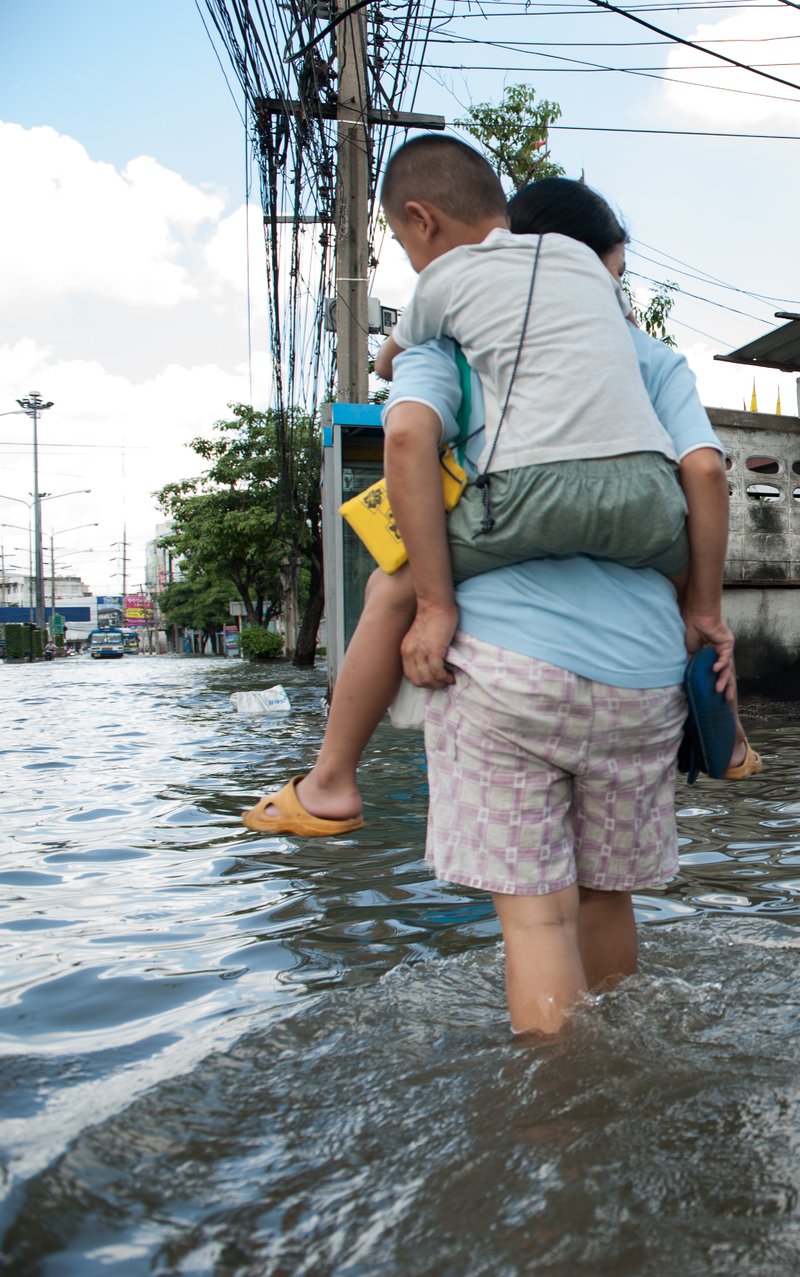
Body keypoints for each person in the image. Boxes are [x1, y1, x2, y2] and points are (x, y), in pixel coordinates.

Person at [243, 177, 758, 839]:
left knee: (392, 584)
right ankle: (732, 737)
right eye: (615, 272)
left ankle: (333, 777)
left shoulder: (456, 331)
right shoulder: (650, 355)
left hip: (511, 534)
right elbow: (705, 471)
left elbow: (401, 418)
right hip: (641, 577)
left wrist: (437, 602)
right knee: (698, 608)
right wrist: (705, 606)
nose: (615, 291)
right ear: (582, 262)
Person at [373, 134, 689, 585]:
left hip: (529, 491)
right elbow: (629, 328)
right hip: (644, 492)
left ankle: (429, 611)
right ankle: (699, 627)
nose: (415, 264)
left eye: (406, 249)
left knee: (402, 576)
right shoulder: (577, 257)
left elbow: (386, 364)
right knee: (681, 562)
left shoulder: (442, 278)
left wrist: (434, 600)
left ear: (421, 220)